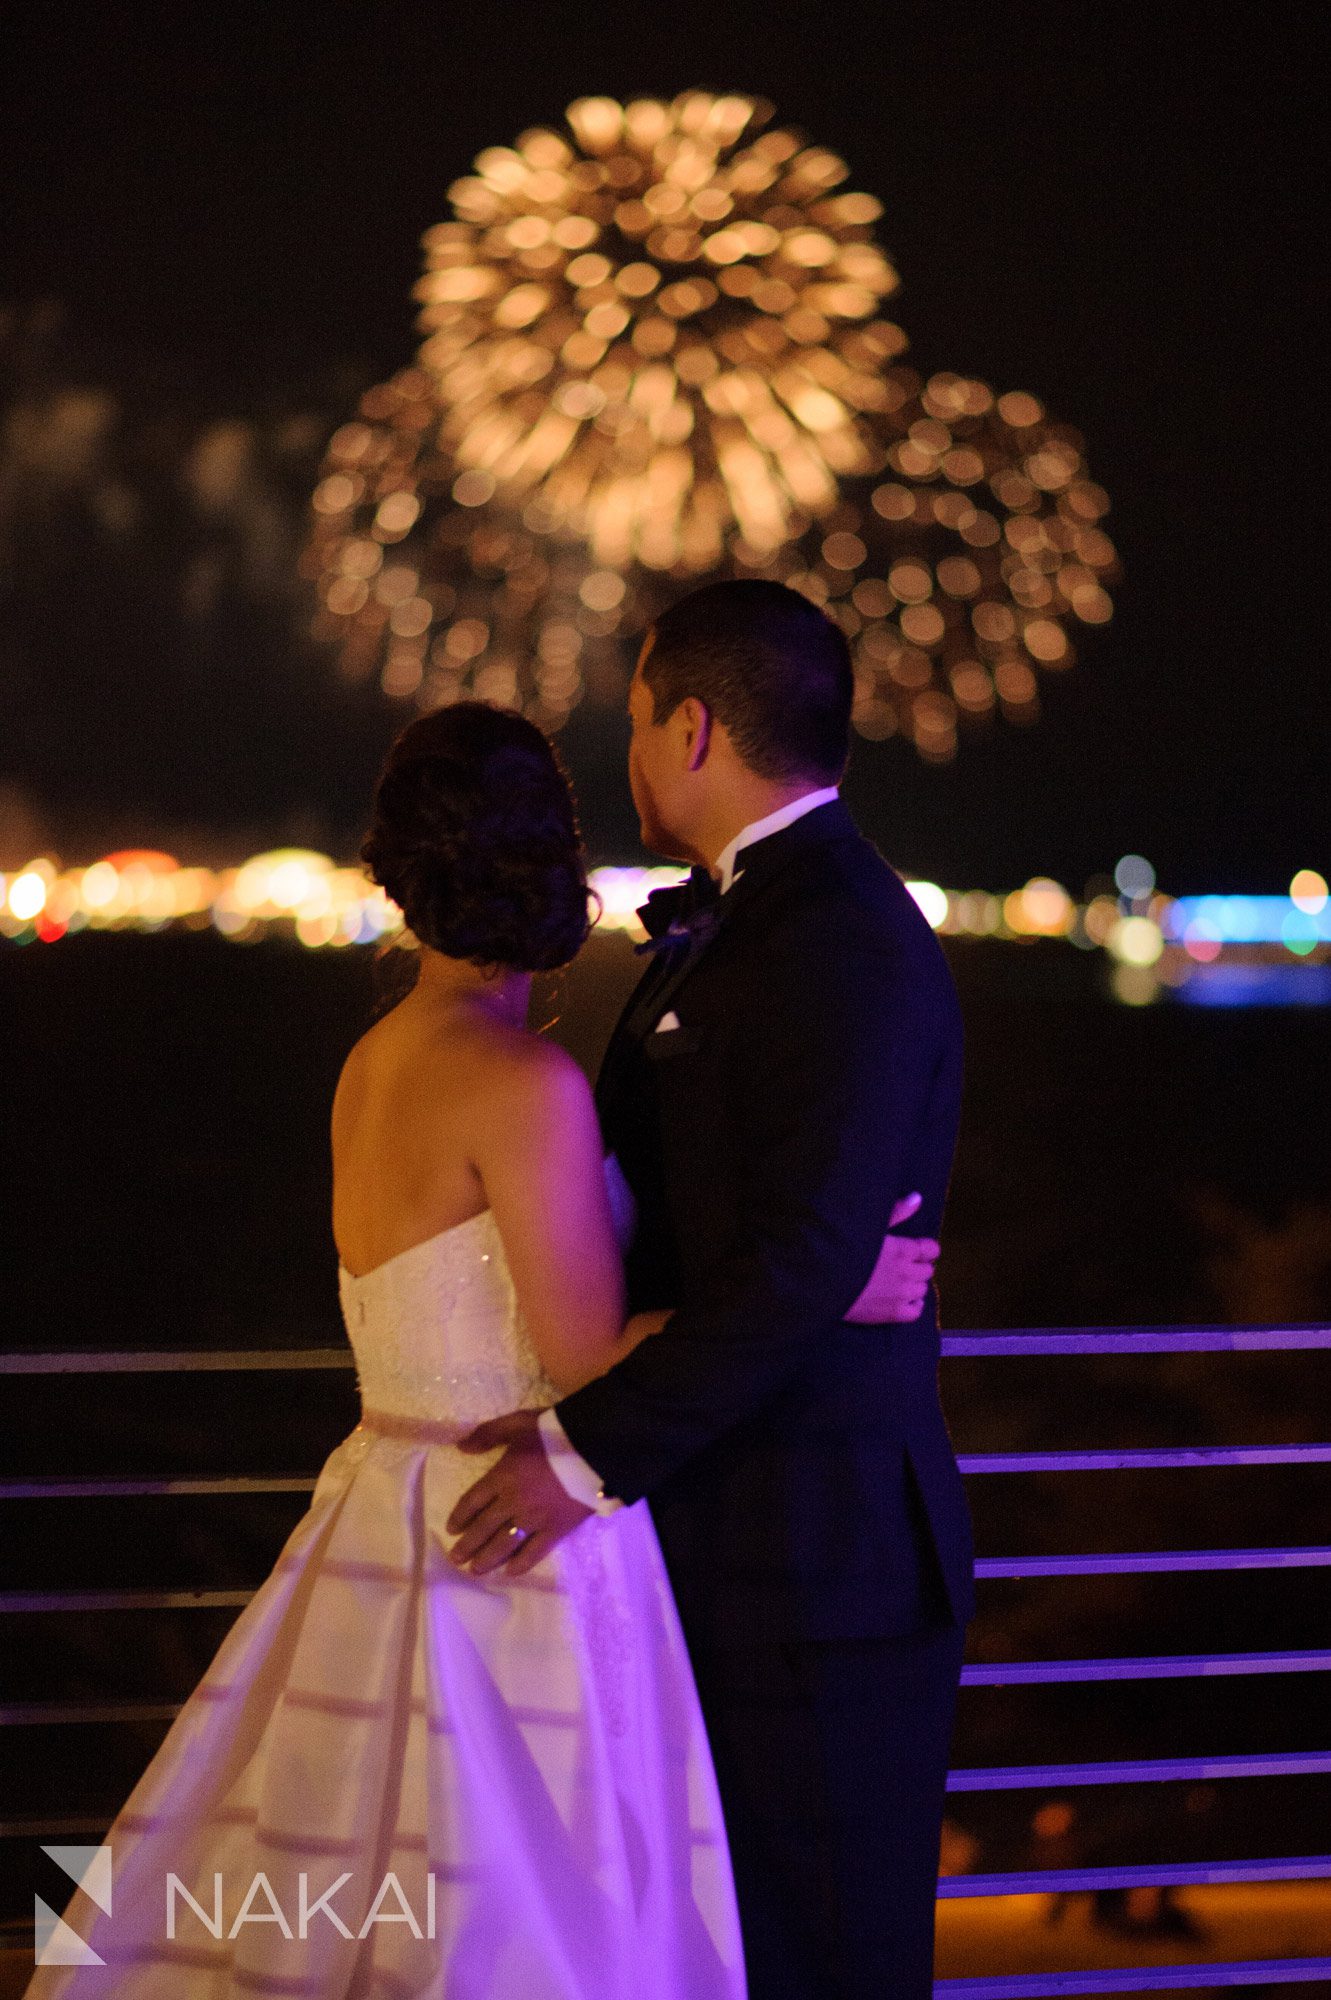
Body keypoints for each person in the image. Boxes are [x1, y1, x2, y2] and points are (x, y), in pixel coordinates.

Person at [25, 695, 934, 1998]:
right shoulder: (526, 1087)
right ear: (546, 872)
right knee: (520, 1914)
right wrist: (821, 1284)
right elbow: (587, 1355)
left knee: (339, 1883)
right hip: (512, 1540)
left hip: (373, 1511)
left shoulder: (374, 1060)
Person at [448, 581, 977, 1999]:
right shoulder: (764, 923)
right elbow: (776, 1238)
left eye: (632, 722)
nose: (627, 758)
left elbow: (802, 1252)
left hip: (821, 1563)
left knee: (828, 1957)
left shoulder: (840, 939)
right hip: (740, 1540)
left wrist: (580, 1454)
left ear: (690, 729)